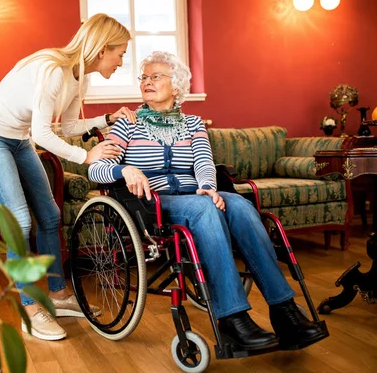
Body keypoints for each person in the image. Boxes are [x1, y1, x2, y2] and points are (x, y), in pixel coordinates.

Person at [88, 51, 328, 351]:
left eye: (156, 76)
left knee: (239, 204)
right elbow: (96, 168)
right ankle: (232, 318)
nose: (147, 82)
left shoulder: (193, 123)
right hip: (154, 203)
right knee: (204, 209)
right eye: (144, 77)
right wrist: (125, 168)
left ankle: (285, 311)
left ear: (176, 87)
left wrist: (208, 187)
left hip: (194, 194)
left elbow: (203, 161)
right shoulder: (128, 124)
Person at [0, 13, 137, 341]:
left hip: (19, 140)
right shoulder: (52, 72)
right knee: (20, 223)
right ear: (102, 49)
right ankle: (30, 310)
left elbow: (65, 127)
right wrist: (86, 156)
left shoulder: (79, 76)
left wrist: (105, 119)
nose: (121, 61)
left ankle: (58, 294)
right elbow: (43, 134)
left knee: (50, 215)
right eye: (120, 53)